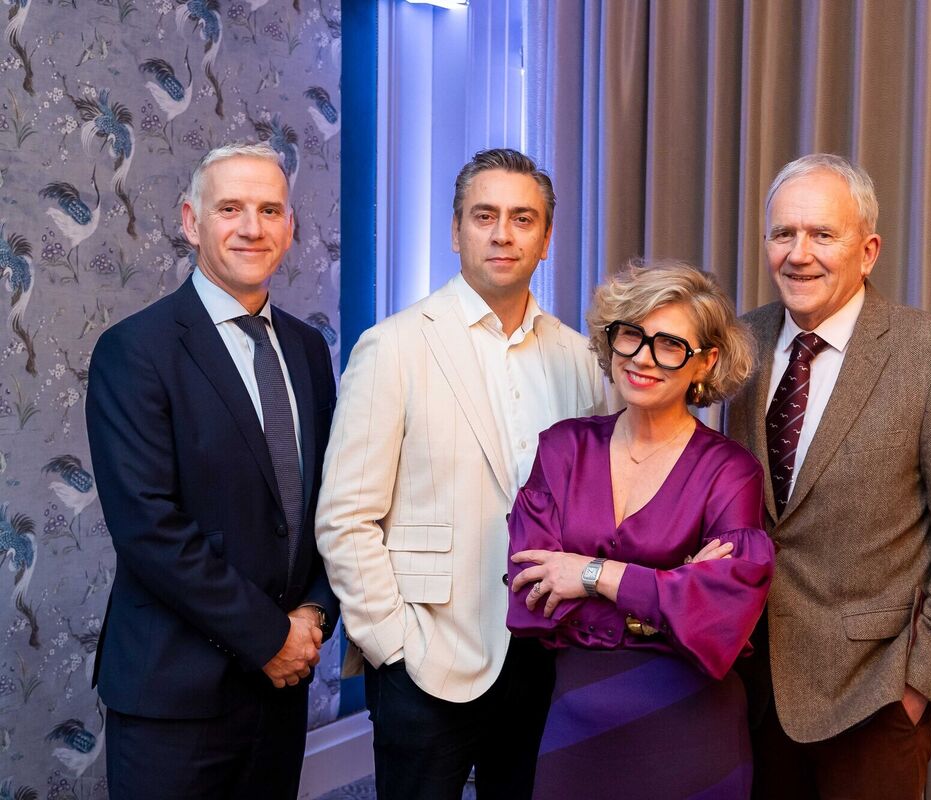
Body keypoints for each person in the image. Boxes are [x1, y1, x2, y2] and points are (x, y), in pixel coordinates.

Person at [315, 148, 608, 799]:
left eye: (522, 219)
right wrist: (391, 644)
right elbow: (346, 516)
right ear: (455, 231)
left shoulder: (580, 360)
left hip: (543, 656)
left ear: (545, 239)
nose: (503, 234)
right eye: (484, 216)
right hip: (427, 657)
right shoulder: (393, 347)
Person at [725, 153, 931, 799]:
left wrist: (919, 687)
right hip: (751, 694)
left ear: (869, 251)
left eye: (822, 234)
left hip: (872, 698)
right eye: (783, 233)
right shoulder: (741, 344)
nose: (799, 254)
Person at [86, 142, 339, 800]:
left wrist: (315, 611)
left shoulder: (309, 349)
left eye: (270, 210)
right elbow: (149, 528)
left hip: (280, 693)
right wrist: (270, 637)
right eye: (230, 208)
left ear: (290, 227)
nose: (252, 227)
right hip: (175, 696)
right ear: (191, 222)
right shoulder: (135, 351)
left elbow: (327, 502)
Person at [507, 261, 774, 799]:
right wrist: (672, 593)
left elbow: (723, 619)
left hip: (692, 733)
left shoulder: (731, 471)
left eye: (670, 344)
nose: (643, 358)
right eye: (631, 335)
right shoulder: (562, 448)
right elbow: (529, 597)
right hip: (577, 729)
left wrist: (591, 574)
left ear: (705, 362)